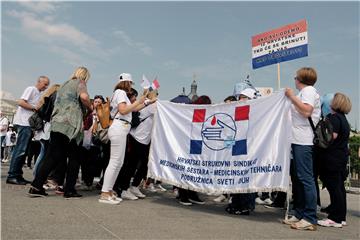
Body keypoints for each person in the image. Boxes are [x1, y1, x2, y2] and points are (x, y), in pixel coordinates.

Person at [29, 67, 92, 198]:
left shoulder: (63, 85)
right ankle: (69, 190)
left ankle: (36, 186)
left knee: (52, 156)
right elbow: (84, 97)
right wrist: (90, 106)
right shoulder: (80, 82)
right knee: (74, 157)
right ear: (85, 76)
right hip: (71, 126)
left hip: (57, 124)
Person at [98, 73, 156, 205]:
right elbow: (124, 110)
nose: (131, 87)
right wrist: (140, 101)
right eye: (130, 84)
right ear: (127, 83)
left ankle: (109, 191)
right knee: (115, 162)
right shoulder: (120, 92)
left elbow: (133, 108)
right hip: (119, 126)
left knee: (118, 163)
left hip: (122, 128)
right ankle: (105, 193)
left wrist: (146, 102)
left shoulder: (120, 93)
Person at [283, 67, 320, 231]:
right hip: (297, 140)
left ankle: (310, 217)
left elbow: (306, 111)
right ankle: (300, 213)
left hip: (304, 141)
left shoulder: (309, 91)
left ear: (300, 79)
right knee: (298, 178)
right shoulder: (303, 93)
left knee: (305, 178)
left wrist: (291, 97)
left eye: (295, 77)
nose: (294, 79)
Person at [6, 76, 49, 185]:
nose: (46, 86)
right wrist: (34, 108)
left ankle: (18, 175)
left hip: (29, 125)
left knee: (24, 151)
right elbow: (20, 102)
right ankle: (12, 175)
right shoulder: (31, 89)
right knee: (20, 149)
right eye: (45, 84)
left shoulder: (38, 93)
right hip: (24, 123)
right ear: (39, 82)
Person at [317, 93, 352, 228]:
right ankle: (341, 217)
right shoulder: (343, 119)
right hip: (340, 158)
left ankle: (335, 218)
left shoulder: (334, 119)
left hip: (332, 159)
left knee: (334, 189)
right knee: (339, 189)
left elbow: (330, 138)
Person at [225, 89, 256, 215]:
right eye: (240, 97)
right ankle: (236, 203)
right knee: (237, 178)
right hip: (237, 148)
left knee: (246, 179)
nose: (240, 99)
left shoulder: (254, 111)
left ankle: (245, 206)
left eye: (243, 97)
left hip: (248, 149)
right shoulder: (237, 110)